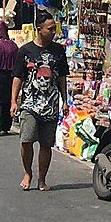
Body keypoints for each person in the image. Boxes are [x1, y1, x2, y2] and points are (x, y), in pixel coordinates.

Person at [10, 12, 69, 191]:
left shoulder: (58, 51)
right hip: (29, 104)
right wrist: (14, 101)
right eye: (50, 29)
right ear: (39, 29)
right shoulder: (25, 51)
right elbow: (18, 77)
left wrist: (65, 101)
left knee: (46, 144)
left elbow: (62, 78)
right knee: (26, 140)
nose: (53, 32)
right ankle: (28, 173)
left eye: (54, 29)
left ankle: (42, 179)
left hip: (51, 104)